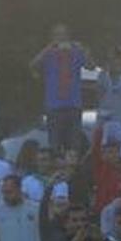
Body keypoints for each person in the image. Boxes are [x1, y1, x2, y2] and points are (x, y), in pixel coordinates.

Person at [31, 24, 88, 152]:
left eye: (64, 34)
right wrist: (50, 47)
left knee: (74, 145)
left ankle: (72, 168)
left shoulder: (76, 53)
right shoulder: (49, 54)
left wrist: (83, 49)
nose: (61, 38)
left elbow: (91, 66)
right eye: (58, 35)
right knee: (54, 145)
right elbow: (33, 65)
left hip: (74, 105)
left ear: (69, 37)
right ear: (53, 37)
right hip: (54, 106)